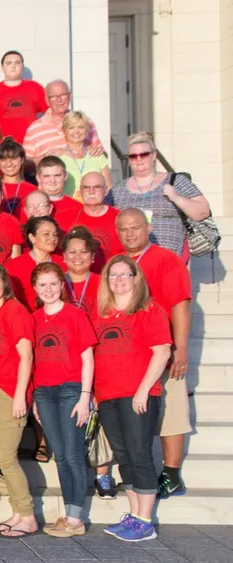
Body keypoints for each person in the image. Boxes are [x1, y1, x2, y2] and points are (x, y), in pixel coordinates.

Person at [93, 256, 171, 542]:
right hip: (107, 395)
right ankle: (134, 513)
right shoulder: (100, 312)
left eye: (125, 274)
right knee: (123, 456)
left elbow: (161, 352)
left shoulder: (149, 309)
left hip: (138, 396)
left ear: (136, 278)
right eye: (113, 275)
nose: (118, 280)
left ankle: (145, 520)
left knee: (139, 455)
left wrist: (142, 390)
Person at [116, 208, 193, 497]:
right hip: (127, 352)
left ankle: (171, 474)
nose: (130, 233)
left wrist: (181, 347)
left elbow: (180, 304)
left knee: (171, 408)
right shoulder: (119, 263)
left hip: (162, 349)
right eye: (123, 229)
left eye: (135, 227)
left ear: (147, 227)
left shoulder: (165, 259)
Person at [30, 262, 96, 538]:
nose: (48, 290)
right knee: (60, 456)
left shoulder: (75, 315)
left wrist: (85, 396)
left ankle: (76, 516)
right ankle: (69, 512)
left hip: (71, 390)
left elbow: (87, 357)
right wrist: (34, 396)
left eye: (53, 284)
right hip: (44, 392)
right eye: (42, 285)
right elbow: (32, 360)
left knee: (73, 455)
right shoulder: (34, 318)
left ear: (62, 286)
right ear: (35, 288)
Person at [0, 264, 37, 537]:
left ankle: (28, 515)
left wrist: (19, 395)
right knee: (1, 456)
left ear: (5, 284)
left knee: (6, 457)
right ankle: (17, 513)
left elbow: (26, 356)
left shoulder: (15, 310)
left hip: (9, 390)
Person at [108, 132, 211, 257]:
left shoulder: (175, 181)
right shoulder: (118, 190)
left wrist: (177, 198)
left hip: (170, 261)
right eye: (133, 156)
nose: (139, 159)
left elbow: (203, 211)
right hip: (133, 265)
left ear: (154, 155)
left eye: (144, 154)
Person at [23, 80, 104, 162]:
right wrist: (44, 157)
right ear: (47, 100)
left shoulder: (86, 122)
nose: (59, 100)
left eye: (63, 95)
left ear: (70, 96)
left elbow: (101, 155)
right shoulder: (34, 129)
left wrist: (97, 150)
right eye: (54, 96)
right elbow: (25, 163)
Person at [0, 51, 47, 143]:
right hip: (3, 145)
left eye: (17, 63)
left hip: (32, 143)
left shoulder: (35, 87)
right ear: (2, 67)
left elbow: (50, 113)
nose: (13, 66)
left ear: (22, 67)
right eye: (8, 63)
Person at [5, 216, 65, 310]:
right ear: (32, 237)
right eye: (46, 234)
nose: (52, 238)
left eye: (55, 234)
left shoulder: (63, 263)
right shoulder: (15, 266)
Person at [73, 172, 122, 272]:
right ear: (80, 191)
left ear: (106, 190)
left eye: (97, 187)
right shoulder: (70, 217)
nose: (91, 192)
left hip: (113, 278)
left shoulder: (120, 217)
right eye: (86, 188)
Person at [58, 111, 110, 198]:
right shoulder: (58, 158)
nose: (76, 131)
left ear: (86, 131)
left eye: (81, 127)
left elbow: (108, 187)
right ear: (64, 131)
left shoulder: (98, 156)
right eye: (71, 128)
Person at [62, 226, 102, 315]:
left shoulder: (103, 283)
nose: (78, 256)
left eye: (83, 252)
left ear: (92, 256)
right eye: (72, 252)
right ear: (64, 256)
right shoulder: (55, 282)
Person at [36, 156, 83, 229]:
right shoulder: (29, 205)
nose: (52, 181)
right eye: (47, 176)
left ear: (65, 176)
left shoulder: (78, 208)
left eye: (57, 175)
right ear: (38, 178)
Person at [0, 139, 36, 218]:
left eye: (13, 158)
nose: (9, 164)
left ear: (22, 160)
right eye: (4, 159)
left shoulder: (33, 190)